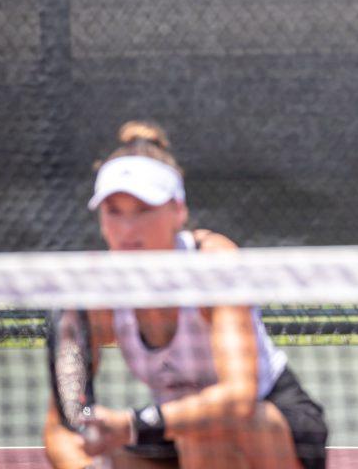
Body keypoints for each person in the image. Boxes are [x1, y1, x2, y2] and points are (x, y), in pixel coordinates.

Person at [44, 121, 328, 469]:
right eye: (113, 212)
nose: (127, 229)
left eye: (144, 210)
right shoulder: (96, 298)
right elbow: (59, 430)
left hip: (268, 427)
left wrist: (131, 425)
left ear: (178, 211)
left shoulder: (212, 263)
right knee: (107, 455)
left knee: (203, 433)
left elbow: (238, 399)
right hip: (174, 432)